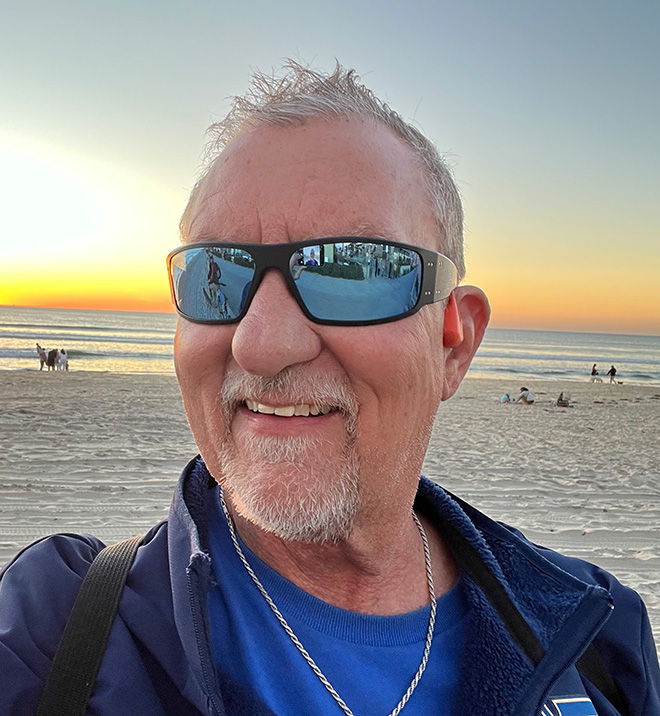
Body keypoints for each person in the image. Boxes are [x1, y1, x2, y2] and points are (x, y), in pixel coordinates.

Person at [1, 61, 658, 716]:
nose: (259, 343)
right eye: (215, 274)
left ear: (453, 343)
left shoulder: (595, 635)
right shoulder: (56, 633)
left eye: (351, 271)